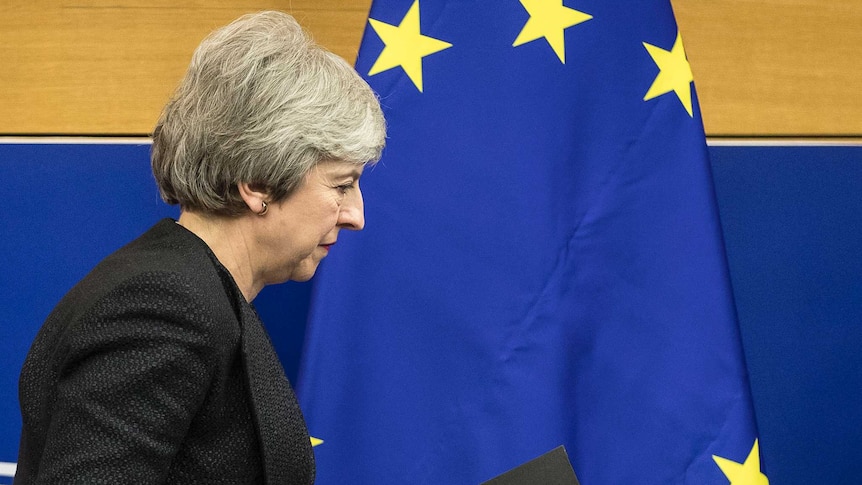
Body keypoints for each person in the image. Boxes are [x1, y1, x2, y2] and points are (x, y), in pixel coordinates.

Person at [15, 10, 385, 485]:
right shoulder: (163, 305)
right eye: (342, 185)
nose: (356, 215)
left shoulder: (203, 293)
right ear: (258, 183)